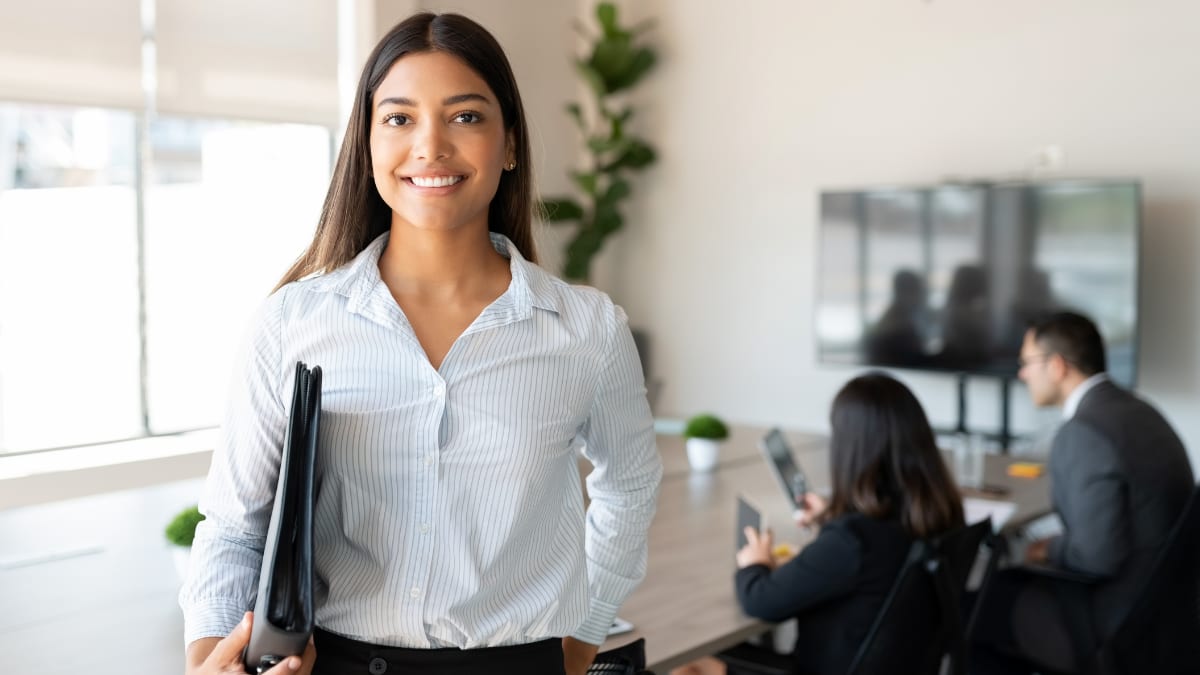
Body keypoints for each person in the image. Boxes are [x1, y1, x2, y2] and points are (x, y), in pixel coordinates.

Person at [178, 12, 662, 675]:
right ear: (369, 142)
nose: (429, 147)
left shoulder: (586, 329)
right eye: (400, 119)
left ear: (510, 143)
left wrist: (582, 633)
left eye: (465, 117)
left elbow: (630, 488)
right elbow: (235, 524)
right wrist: (209, 659)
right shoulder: (293, 322)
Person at [672, 373, 965, 675]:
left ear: (851, 448)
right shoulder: (942, 512)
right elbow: (876, 549)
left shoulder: (852, 542)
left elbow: (760, 601)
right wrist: (831, 517)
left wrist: (754, 563)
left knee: (690, 664)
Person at [971, 311, 1194, 673]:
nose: (1022, 374)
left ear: (1057, 366)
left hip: (1110, 618)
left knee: (974, 604)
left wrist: (1044, 549)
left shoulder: (1083, 433)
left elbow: (1096, 557)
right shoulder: (1141, 411)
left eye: (1027, 363)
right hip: (1164, 610)